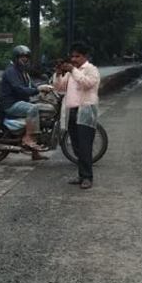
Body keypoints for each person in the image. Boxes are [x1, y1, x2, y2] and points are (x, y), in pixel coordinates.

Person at [52, 42, 101, 190]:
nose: (74, 59)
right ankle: (81, 175)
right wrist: (59, 73)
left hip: (86, 110)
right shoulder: (71, 72)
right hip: (72, 111)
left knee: (85, 146)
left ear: (85, 56)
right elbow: (58, 87)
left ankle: (87, 177)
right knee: (76, 146)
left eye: (77, 56)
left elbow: (87, 84)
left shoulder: (91, 70)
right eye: (72, 56)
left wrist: (73, 70)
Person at [0, 45, 54, 152]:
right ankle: (28, 138)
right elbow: (19, 89)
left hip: (20, 101)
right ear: (16, 58)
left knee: (41, 106)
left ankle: (35, 151)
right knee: (32, 109)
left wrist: (44, 88)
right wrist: (38, 89)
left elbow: (31, 86)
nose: (25, 59)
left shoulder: (22, 71)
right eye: (22, 57)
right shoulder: (11, 71)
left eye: (26, 57)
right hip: (11, 104)